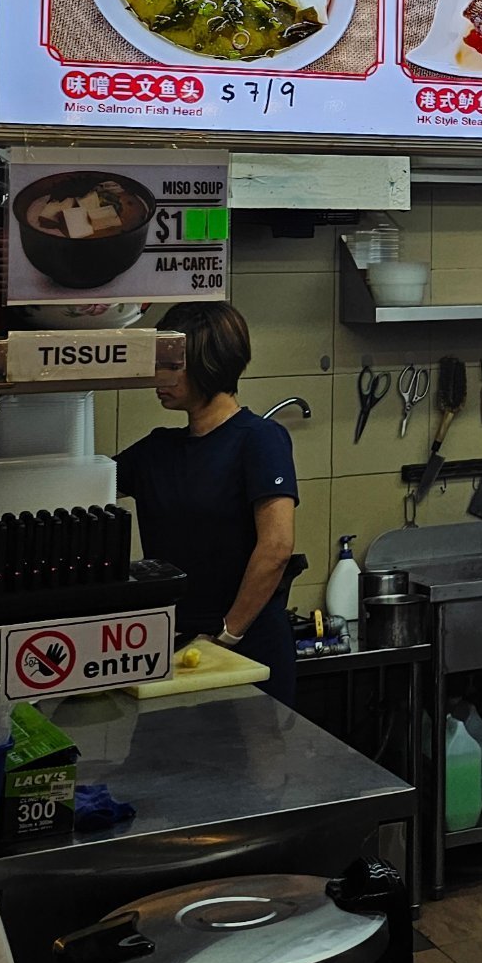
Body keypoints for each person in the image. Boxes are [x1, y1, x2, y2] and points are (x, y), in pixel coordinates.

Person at [117, 301, 300, 706]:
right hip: (175, 648)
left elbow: (276, 548)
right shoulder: (157, 450)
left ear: (208, 365)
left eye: (171, 365)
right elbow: (83, 484)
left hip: (246, 648)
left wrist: (226, 636)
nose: (158, 377)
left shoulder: (259, 440)